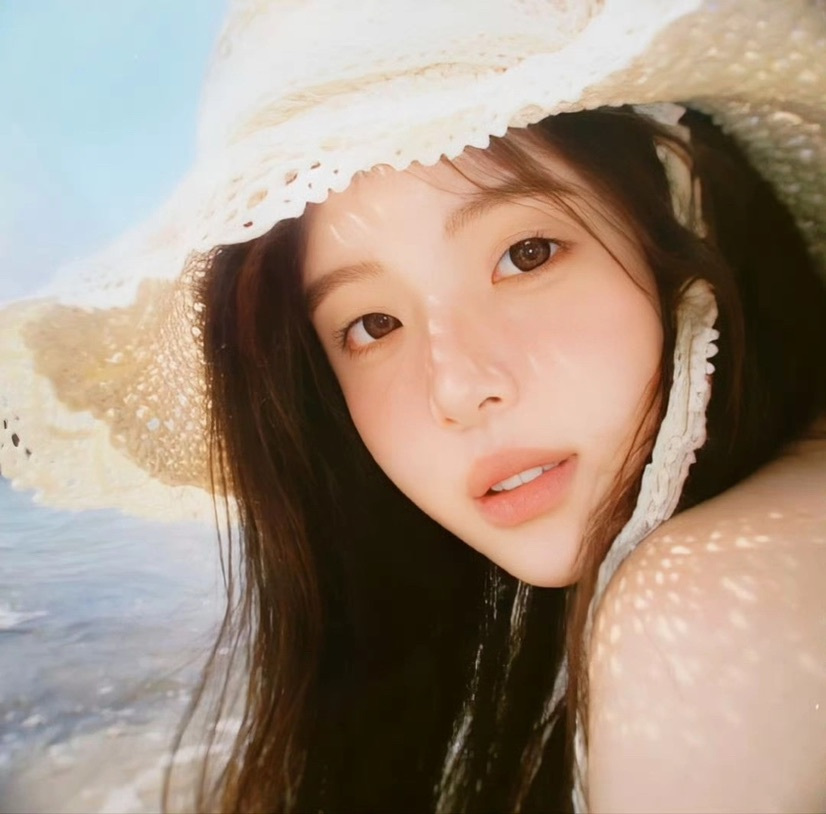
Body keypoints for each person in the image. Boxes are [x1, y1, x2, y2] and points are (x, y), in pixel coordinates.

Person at [1, 2, 824, 812]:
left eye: (526, 254)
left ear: (677, 212)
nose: (458, 388)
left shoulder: (707, 607)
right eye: (374, 325)